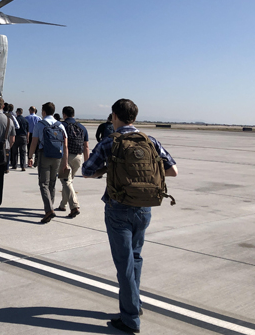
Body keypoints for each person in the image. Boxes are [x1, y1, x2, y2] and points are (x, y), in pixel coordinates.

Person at [82, 98, 178, 334]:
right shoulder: (150, 141)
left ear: (114, 116)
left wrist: (108, 168)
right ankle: (135, 304)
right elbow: (173, 170)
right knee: (134, 258)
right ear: (134, 117)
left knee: (124, 263)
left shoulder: (110, 141)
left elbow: (86, 171)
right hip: (145, 208)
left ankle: (130, 318)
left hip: (118, 208)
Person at [27, 102, 68, 223]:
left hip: (44, 155)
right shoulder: (60, 125)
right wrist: (65, 160)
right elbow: (65, 144)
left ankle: (49, 210)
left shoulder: (40, 125)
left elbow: (34, 142)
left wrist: (30, 156)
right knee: (52, 183)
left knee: (43, 183)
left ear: (43, 112)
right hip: (57, 156)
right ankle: (51, 206)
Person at [57, 106, 89, 218]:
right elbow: (86, 147)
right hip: (78, 157)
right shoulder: (82, 127)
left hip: (66, 156)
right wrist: (87, 162)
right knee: (68, 182)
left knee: (66, 182)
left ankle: (74, 206)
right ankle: (62, 204)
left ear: (64, 114)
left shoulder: (62, 125)